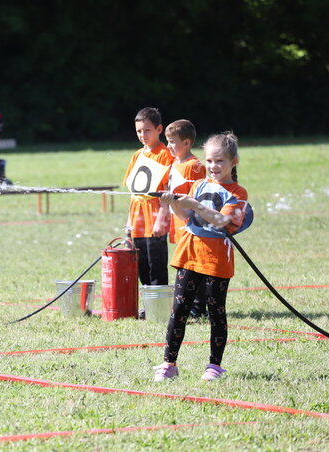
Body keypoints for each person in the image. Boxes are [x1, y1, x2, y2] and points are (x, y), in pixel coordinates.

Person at [154, 132, 252, 382]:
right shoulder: (199, 185)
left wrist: (196, 205)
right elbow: (187, 218)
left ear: (233, 162)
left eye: (219, 161)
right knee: (178, 311)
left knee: (215, 312)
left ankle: (214, 367)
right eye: (209, 161)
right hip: (188, 254)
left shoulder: (238, 192)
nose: (213, 166)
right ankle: (169, 364)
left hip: (216, 259)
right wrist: (172, 202)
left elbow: (223, 221)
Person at [122, 107, 174, 286]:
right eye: (139, 131)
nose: (143, 134)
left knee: (157, 267)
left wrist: (162, 218)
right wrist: (128, 227)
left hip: (155, 222)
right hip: (137, 223)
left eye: (147, 130)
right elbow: (133, 194)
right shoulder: (137, 155)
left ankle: (158, 306)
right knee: (141, 267)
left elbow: (167, 190)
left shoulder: (165, 155)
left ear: (159, 129)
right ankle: (147, 305)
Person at [164, 120, 208, 318]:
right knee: (185, 264)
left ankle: (199, 308)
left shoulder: (194, 166)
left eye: (172, 142)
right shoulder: (175, 163)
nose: (169, 146)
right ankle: (188, 305)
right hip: (177, 222)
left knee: (194, 265)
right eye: (168, 141)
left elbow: (194, 198)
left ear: (187, 143)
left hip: (190, 224)